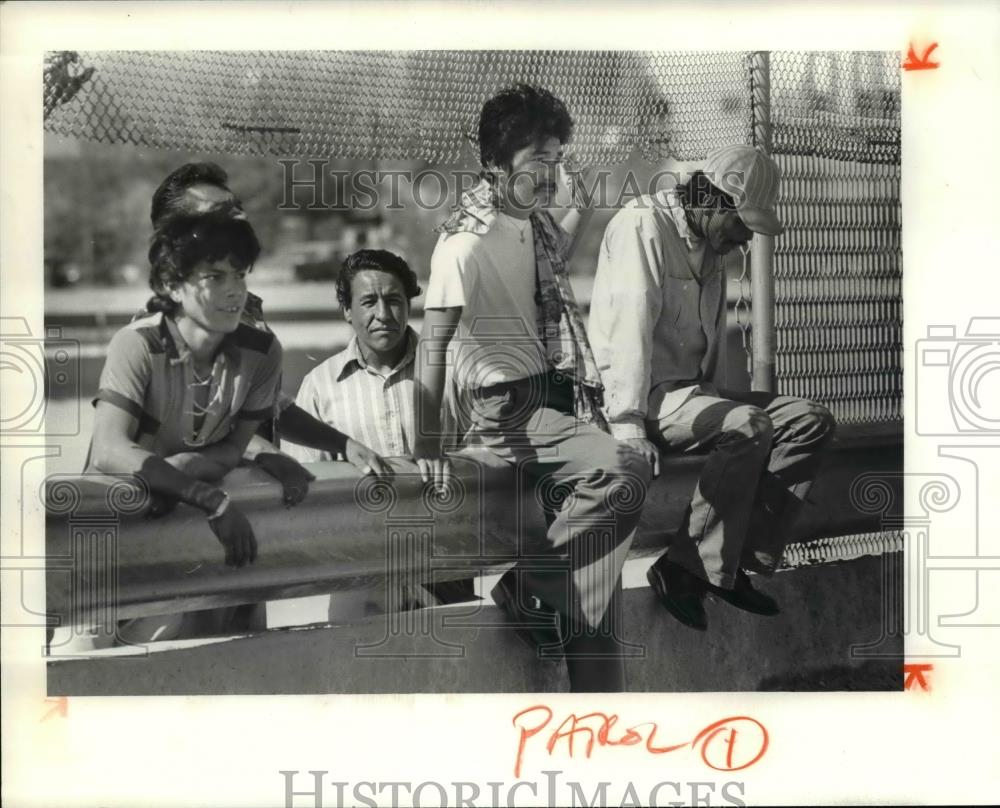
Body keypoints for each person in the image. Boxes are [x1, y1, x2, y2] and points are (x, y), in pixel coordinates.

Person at [413, 84, 651, 691]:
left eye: (557, 159)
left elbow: (549, 254)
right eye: (538, 161)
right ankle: (526, 586)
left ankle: (602, 721)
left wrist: (589, 199)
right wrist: (428, 447)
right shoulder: (462, 243)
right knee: (623, 468)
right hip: (509, 412)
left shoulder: (530, 221)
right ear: (495, 164)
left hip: (558, 399)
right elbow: (432, 349)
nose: (551, 174)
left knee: (595, 586)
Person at [588, 144, 836, 632]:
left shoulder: (710, 241)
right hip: (642, 400)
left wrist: (719, 404)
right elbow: (627, 330)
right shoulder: (643, 226)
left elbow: (710, 351)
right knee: (747, 423)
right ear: (712, 200)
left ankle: (732, 564)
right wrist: (628, 425)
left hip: (694, 398)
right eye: (741, 222)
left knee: (811, 420)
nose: (744, 237)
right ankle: (686, 567)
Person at [88, 210, 280, 642]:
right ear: (172, 287)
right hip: (111, 537)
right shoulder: (135, 344)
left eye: (240, 275)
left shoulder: (263, 352)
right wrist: (210, 499)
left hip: (189, 546)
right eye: (214, 277)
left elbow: (232, 451)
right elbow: (109, 451)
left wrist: (181, 467)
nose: (234, 292)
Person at [149, 162, 394, 497]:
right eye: (217, 214)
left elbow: (264, 403)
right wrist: (265, 452)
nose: (236, 220)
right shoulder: (160, 330)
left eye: (236, 209)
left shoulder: (243, 311)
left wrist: (343, 443)